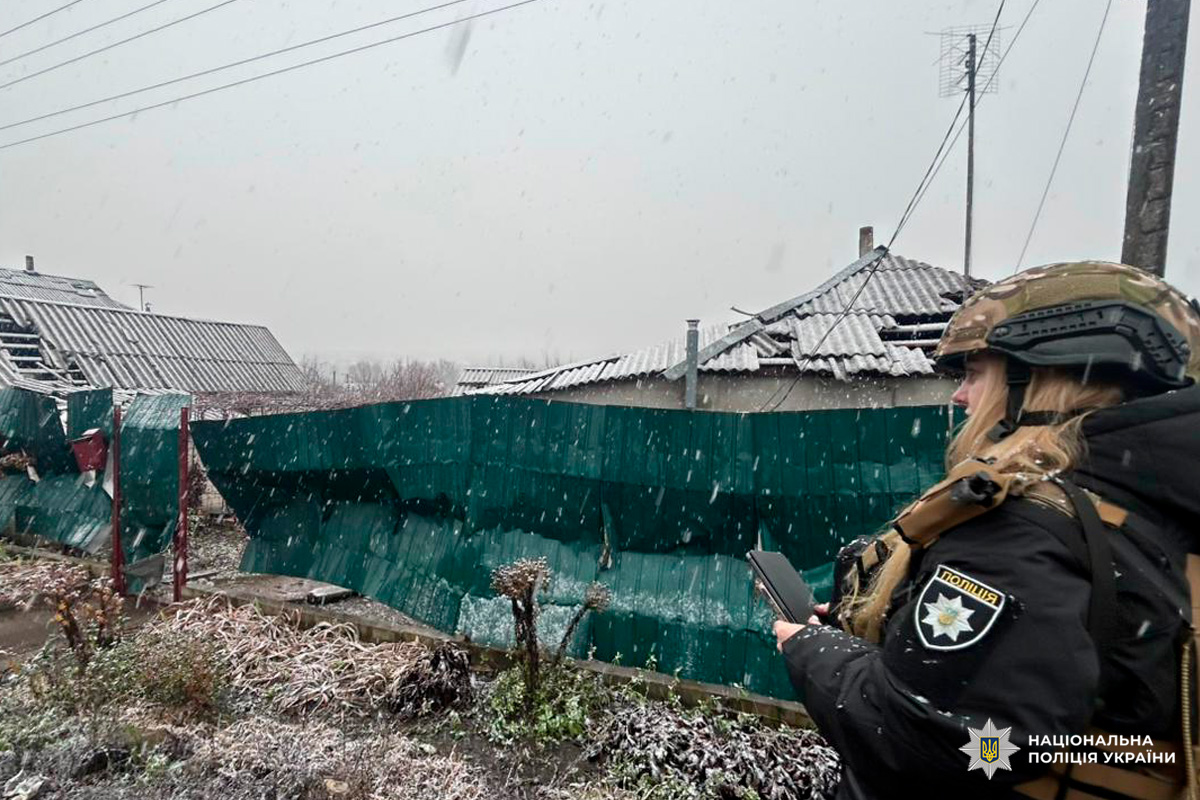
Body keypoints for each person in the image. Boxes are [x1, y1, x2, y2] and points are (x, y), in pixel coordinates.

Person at [772, 261, 1200, 800]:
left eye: (975, 373)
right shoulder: (1148, 513)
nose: (960, 396)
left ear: (1047, 376)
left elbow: (935, 742)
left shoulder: (1021, 529)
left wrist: (814, 651)